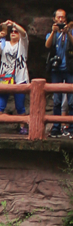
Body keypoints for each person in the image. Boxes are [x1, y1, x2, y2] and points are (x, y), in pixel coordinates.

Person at [0, 20, 29, 135]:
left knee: (20, 105)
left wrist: (14, 24)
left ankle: (22, 126)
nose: (14, 33)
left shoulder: (23, 44)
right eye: (12, 31)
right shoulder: (4, 44)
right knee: (0, 104)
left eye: (16, 32)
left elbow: (24, 33)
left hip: (20, 78)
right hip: (5, 77)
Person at [46, 8, 72, 136]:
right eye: (58, 17)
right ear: (54, 19)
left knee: (71, 100)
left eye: (63, 17)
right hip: (56, 69)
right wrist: (53, 32)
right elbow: (47, 45)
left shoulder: (70, 31)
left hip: (69, 69)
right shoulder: (53, 32)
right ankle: (56, 127)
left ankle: (71, 128)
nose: (61, 19)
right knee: (57, 100)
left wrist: (68, 33)